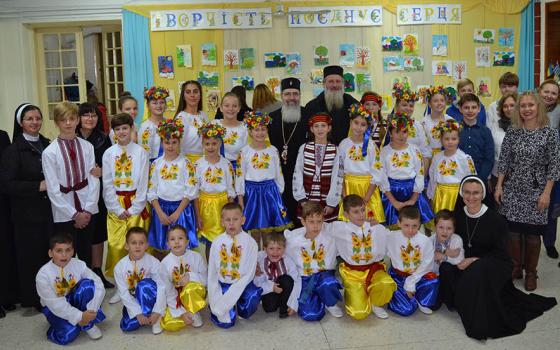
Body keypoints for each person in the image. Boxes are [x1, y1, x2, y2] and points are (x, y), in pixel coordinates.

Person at [439, 176, 557, 340]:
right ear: (461, 193)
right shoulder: (457, 215)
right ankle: (457, 300)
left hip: (493, 262)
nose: (471, 197)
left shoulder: (495, 220)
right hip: (463, 261)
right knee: (445, 268)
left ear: (483, 194)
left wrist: (474, 260)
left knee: (477, 269)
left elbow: (501, 253)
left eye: (476, 193)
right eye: (467, 192)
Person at [495, 91, 560, 291]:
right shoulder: (513, 132)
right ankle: (516, 267)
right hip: (513, 189)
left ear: (538, 107)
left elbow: (555, 166)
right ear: (518, 109)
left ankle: (531, 272)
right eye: (523, 105)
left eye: (531, 105)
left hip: (537, 191)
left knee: (532, 235)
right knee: (513, 232)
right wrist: (499, 186)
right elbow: (504, 161)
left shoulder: (550, 133)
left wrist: (547, 193)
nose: (527, 109)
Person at [0, 104, 53, 313]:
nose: (34, 122)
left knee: (46, 254)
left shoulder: (47, 144)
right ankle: (33, 298)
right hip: (26, 215)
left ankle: (50, 293)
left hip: (48, 211)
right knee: (30, 258)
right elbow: (6, 184)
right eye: (29, 118)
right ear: (21, 123)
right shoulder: (13, 151)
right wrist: (36, 186)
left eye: (38, 118)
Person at [42, 102, 100, 268]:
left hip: (88, 207)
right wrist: (75, 215)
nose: (68, 123)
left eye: (72, 118)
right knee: (65, 254)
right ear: (57, 123)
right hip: (63, 211)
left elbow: (94, 179)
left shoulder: (87, 147)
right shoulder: (50, 152)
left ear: (77, 121)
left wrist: (87, 210)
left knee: (86, 251)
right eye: (63, 120)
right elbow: (53, 189)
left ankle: (86, 289)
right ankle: (67, 289)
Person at [328, 195, 396, 320]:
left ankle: (376, 303)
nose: (361, 215)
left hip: (373, 269)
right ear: (346, 214)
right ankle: (356, 294)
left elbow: (394, 238)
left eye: (362, 210)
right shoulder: (338, 228)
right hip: (352, 273)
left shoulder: (376, 228)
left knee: (387, 283)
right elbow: (316, 228)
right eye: (355, 212)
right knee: (359, 313)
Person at [102, 113, 150, 287]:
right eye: (117, 129)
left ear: (131, 129)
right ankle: (120, 284)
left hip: (136, 205)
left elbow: (144, 183)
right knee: (117, 246)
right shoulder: (109, 154)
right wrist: (116, 208)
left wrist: (133, 209)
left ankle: (141, 281)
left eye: (125, 128)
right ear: (113, 132)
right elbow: (107, 183)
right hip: (116, 205)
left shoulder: (141, 152)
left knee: (137, 245)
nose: (121, 132)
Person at [36, 233, 105, 345]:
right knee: (69, 334)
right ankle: (56, 326)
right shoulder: (43, 275)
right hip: (54, 308)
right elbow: (55, 304)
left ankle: (87, 324)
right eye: (59, 251)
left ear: (73, 251)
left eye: (68, 250)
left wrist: (90, 311)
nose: (64, 255)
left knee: (88, 284)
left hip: (75, 301)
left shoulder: (79, 264)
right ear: (50, 253)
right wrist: (79, 316)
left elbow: (99, 284)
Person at [236, 111, 291, 248]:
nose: (260, 133)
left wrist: (278, 193)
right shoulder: (244, 152)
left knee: (267, 230)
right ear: (250, 131)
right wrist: (241, 200)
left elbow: (278, 172)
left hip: (269, 192)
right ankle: (255, 259)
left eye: (263, 129)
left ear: (267, 130)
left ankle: (267, 259)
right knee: (254, 230)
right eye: (256, 129)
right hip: (252, 192)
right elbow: (240, 176)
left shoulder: (273, 150)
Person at [148, 118, 198, 259]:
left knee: (182, 248)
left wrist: (178, 212)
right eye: (167, 142)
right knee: (161, 247)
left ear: (179, 142)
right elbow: (152, 191)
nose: (170, 146)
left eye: (174, 142)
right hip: (161, 210)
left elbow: (190, 191)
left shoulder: (186, 163)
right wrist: (159, 212)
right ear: (162, 143)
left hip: (181, 210)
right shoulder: (156, 164)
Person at [284, 201, 343, 321]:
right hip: (307, 280)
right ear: (303, 222)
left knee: (328, 283)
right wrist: (292, 302)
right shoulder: (293, 241)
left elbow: (349, 227)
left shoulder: (331, 235)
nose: (316, 226)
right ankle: (317, 297)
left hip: (324, 275)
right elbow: (285, 261)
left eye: (319, 221)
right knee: (311, 315)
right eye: (311, 222)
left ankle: (330, 302)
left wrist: (369, 223)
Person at [77, 103, 114, 288]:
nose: (90, 119)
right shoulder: (72, 137)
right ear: (79, 118)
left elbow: (111, 163)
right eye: (86, 115)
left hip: (97, 192)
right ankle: (81, 270)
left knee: (98, 232)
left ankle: (97, 269)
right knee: (80, 231)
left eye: (94, 115)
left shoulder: (103, 139)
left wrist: (103, 170)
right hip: (76, 192)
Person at [207, 203, 261, 328]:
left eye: (235, 219)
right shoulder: (217, 242)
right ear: (222, 222)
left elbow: (249, 273)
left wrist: (231, 297)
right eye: (228, 219)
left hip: (242, 284)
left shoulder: (251, 243)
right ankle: (221, 305)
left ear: (243, 220)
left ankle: (241, 309)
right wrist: (215, 297)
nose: (231, 223)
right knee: (226, 323)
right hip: (223, 284)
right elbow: (212, 273)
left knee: (252, 295)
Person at [380, 113, 433, 226]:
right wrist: (393, 202)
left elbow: (419, 174)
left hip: (412, 193)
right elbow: (382, 178)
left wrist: (413, 200)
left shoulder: (414, 150)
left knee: (413, 225)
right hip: (392, 194)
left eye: (404, 131)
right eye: (397, 132)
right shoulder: (384, 152)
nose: (401, 136)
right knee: (393, 228)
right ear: (390, 133)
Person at [386, 206, 438, 316]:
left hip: (418, 275)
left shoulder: (425, 240)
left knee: (433, 280)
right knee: (406, 310)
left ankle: (420, 300)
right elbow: (375, 232)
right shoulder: (391, 237)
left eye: (414, 226)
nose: (410, 230)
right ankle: (407, 297)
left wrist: (411, 282)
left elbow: (427, 264)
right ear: (398, 223)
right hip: (398, 277)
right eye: (406, 225)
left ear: (419, 224)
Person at [269, 78, 308, 224]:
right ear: (281, 96)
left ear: (300, 95)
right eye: (287, 94)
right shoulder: (272, 119)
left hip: (302, 174)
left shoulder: (308, 115)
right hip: (278, 174)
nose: (292, 98)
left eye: (295, 94)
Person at [338, 103, 385, 224]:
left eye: (363, 124)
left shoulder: (371, 146)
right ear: (350, 123)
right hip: (349, 188)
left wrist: (366, 198)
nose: (358, 127)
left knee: (370, 225)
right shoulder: (343, 144)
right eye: (356, 123)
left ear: (368, 127)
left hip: (367, 190)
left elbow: (377, 172)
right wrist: (344, 196)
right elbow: (340, 171)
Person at [114, 227, 166, 335]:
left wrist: (157, 311)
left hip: (151, 298)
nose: (138, 246)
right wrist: (138, 313)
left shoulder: (153, 262)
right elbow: (123, 293)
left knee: (143, 286)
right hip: (134, 301)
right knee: (127, 326)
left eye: (141, 243)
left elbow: (161, 286)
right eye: (133, 243)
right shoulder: (119, 267)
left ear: (146, 245)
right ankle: (144, 316)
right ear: (126, 246)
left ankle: (156, 318)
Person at [194, 122, 235, 258]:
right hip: (205, 208)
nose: (210, 147)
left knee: (226, 240)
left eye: (214, 143)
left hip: (222, 206)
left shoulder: (226, 164)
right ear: (202, 144)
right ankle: (211, 271)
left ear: (220, 144)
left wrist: (230, 213)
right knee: (210, 242)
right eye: (207, 144)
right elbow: (195, 192)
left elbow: (230, 189)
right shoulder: (198, 165)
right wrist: (198, 215)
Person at [293, 112, 341, 223]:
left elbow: (337, 177)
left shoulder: (335, 150)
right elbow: (297, 173)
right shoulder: (304, 148)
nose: (320, 129)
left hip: (326, 200)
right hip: (307, 200)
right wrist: (301, 198)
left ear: (329, 128)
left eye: (323, 126)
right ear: (311, 129)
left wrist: (332, 203)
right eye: (316, 126)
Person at [159, 225, 207, 331]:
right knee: (170, 324)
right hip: (176, 298)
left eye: (180, 238)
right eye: (172, 239)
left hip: (194, 293)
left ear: (187, 242)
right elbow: (167, 290)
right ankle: (186, 315)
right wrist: (181, 312)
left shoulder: (196, 257)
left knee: (190, 289)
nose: (176, 242)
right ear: (168, 244)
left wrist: (190, 276)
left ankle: (193, 311)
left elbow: (205, 279)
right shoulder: (164, 263)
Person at [427, 120, 476, 215]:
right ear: (441, 140)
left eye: (454, 139)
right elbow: (432, 177)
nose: (450, 142)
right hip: (440, 195)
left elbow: (471, 179)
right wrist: (431, 195)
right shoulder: (437, 157)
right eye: (446, 139)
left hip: (458, 196)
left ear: (458, 140)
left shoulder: (465, 158)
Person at [305, 65, 359, 145]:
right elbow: (309, 133)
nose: (334, 85)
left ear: (343, 83)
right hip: (322, 150)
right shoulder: (312, 106)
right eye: (331, 81)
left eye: (338, 81)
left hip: (347, 150)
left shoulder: (352, 103)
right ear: (324, 84)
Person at [253, 232, 300, 318]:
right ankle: (277, 302)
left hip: (284, 289)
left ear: (284, 249)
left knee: (287, 279)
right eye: (271, 248)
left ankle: (284, 306)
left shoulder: (288, 261)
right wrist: (271, 287)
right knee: (269, 308)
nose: (275, 252)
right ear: (265, 249)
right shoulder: (259, 260)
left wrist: (293, 303)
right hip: (268, 289)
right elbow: (257, 282)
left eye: (279, 248)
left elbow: (296, 281)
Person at [539, 79, 560, 259]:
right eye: (547, 91)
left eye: (554, 93)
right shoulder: (529, 108)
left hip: (553, 169)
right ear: (540, 91)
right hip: (532, 169)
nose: (549, 96)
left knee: (552, 207)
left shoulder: (559, 112)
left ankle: (549, 242)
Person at [391, 82, 431, 174]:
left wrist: (422, 178)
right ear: (397, 106)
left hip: (414, 175)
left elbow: (426, 153)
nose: (408, 108)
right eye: (404, 105)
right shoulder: (390, 124)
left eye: (411, 106)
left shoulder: (417, 126)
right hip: (393, 174)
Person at [429, 209, 464, 308]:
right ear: (435, 227)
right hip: (435, 276)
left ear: (454, 229)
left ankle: (450, 297)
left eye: (449, 228)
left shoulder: (457, 240)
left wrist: (443, 256)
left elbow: (459, 261)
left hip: (451, 275)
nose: (445, 231)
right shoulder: (429, 241)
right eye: (441, 227)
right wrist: (449, 255)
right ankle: (439, 295)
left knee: (445, 267)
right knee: (433, 305)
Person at [458, 93, 494, 183]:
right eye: (466, 107)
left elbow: (489, 159)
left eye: (474, 107)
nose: (470, 111)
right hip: (458, 178)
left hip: (480, 179)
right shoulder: (455, 130)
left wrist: (479, 179)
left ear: (479, 109)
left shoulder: (486, 132)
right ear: (460, 109)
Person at [211, 92, 248, 170]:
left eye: (234, 106)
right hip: (217, 169)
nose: (230, 109)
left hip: (238, 170)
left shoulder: (245, 128)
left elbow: (248, 153)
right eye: (227, 105)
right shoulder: (214, 125)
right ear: (221, 108)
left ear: (239, 108)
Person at [175, 80, 208, 163]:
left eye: (195, 92)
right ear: (183, 96)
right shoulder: (181, 118)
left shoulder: (203, 115)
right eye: (188, 92)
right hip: (187, 162)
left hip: (204, 161)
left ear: (200, 95)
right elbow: (176, 145)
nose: (192, 95)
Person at [419, 85, 455, 157]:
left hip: (448, 156)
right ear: (429, 104)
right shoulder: (424, 122)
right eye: (435, 101)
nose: (439, 103)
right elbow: (422, 144)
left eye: (442, 100)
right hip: (430, 157)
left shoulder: (450, 121)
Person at [139, 86, 168, 162]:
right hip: (151, 165)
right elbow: (143, 153)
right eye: (154, 103)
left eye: (162, 102)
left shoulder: (170, 124)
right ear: (148, 105)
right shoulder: (145, 127)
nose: (159, 106)